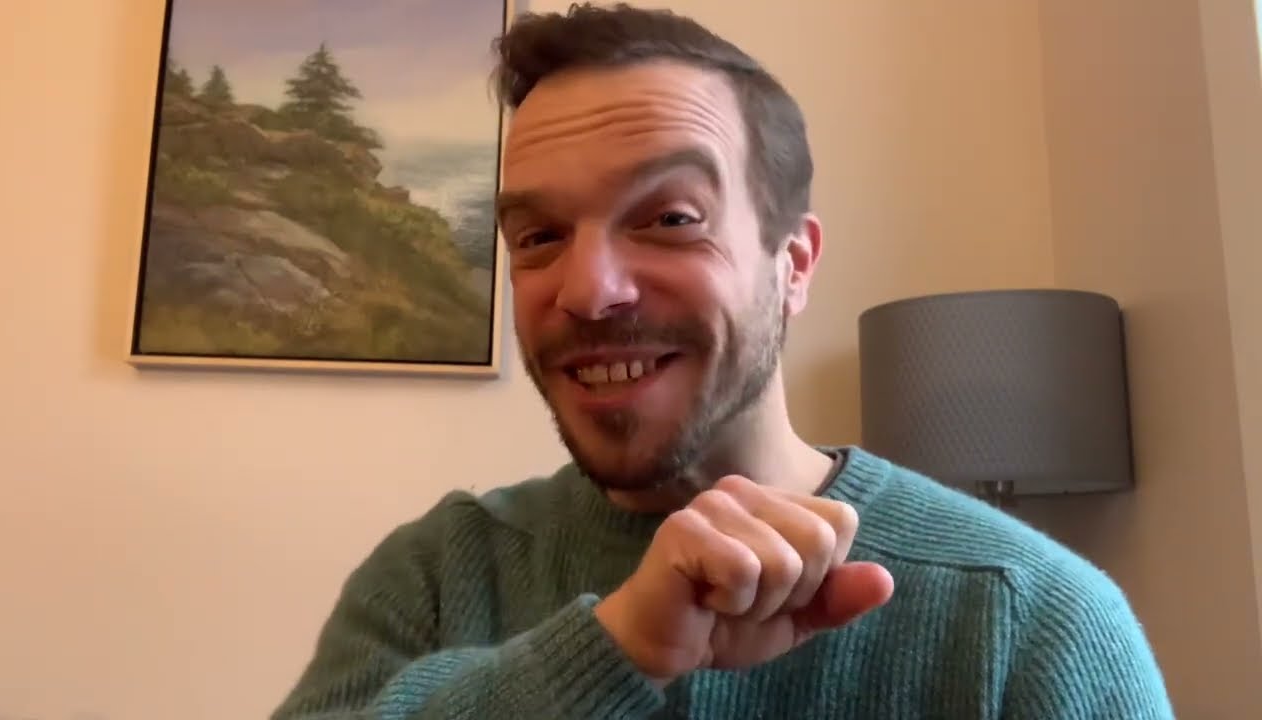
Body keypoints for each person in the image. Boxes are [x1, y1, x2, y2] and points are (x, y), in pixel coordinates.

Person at [271, 4, 1174, 718]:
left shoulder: (1028, 618)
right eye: (539, 235)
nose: (587, 290)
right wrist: (611, 652)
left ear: (796, 264)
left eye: (669, 219)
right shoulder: (438, 574)